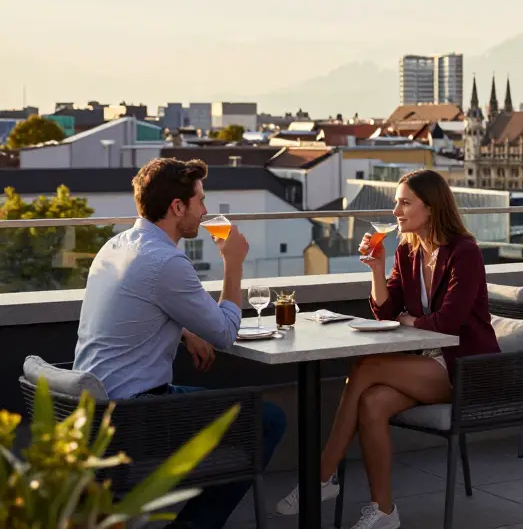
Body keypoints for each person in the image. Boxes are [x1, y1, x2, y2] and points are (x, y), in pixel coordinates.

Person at [277, 169, 500, 529]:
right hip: (425, 365)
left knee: (367, 366)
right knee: (372, 401)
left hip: (465, 368)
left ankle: (320, 477)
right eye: (396, 202)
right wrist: (377, 269)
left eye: (404, 203)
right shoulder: (408, 252)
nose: (396, 210)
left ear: (431, 208)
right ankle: (383, 511)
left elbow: (448, 322)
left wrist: (410, 320)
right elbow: (385, 311)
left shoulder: (465, 252)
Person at [73, 158, 286, 529]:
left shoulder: (116, 245)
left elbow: (136, 308)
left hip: (95, 410)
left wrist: (185, 330)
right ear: (176, 207)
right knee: (266, 419)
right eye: (200, 201)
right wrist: (232, 264)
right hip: (135, 415)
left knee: (237, 417)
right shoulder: (166, 261)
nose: (205, 212)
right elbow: (224, 332)